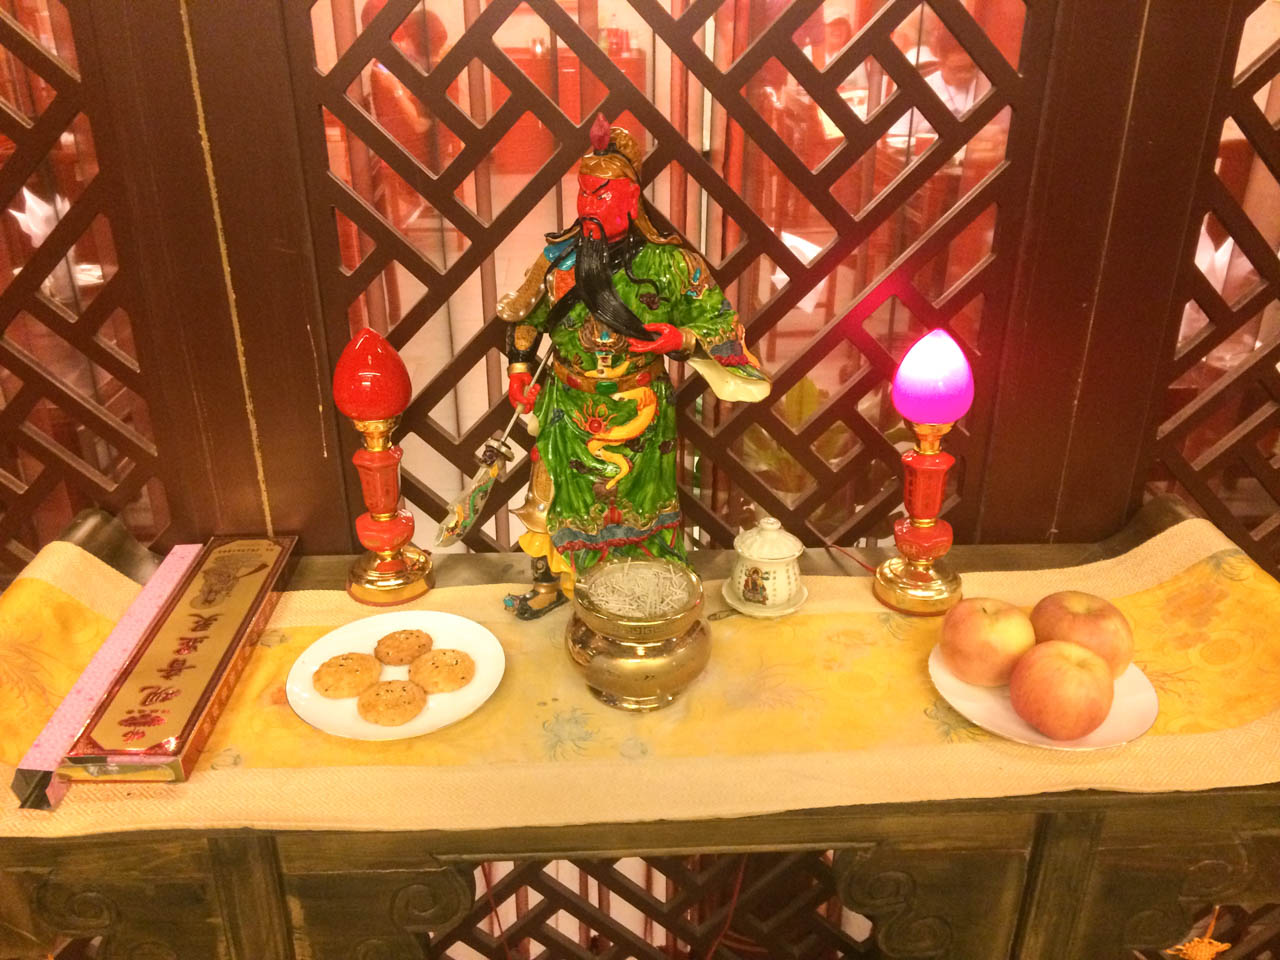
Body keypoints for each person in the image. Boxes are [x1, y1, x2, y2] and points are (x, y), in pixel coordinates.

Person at [499, 116, 771, 619]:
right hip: (569, 405)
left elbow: (720, 325)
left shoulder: (670, 266)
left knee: (640, 500)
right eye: (582, 195)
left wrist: (681, 340)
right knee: (552, 498)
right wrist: (519, 372)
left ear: (631, 198)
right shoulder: (557, 261)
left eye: (600, 195)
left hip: (640, 409)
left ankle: (644, 590)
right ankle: (557, 581)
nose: (587, 206)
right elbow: (524, 320)